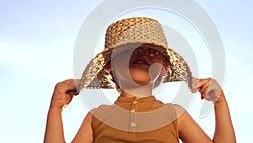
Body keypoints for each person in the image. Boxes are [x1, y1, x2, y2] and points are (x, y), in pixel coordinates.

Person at [44, 17, 236, 143]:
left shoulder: (174, 114)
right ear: (110, 65)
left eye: (152, 51)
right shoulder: (97, 116)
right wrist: (55, 109)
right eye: (129, 49)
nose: (141, 53)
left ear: (163, 69)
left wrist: (220, 102)